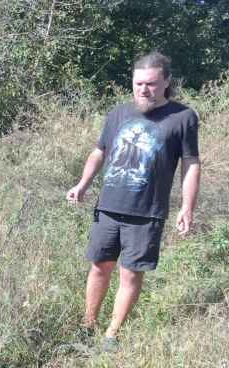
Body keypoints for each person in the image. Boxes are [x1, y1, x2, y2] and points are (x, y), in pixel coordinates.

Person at [66, 51, 201, 349]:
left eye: (151, 84)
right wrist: (82, 184)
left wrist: (187, 207)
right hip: (109, 206)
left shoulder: (183, 117)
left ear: (166, 81)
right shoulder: (118, 114)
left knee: (130, 272)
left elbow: (191, 164)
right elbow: (100, 151)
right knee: (99, 266)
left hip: (147, 212)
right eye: (138, 83)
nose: (144, 89)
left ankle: (111, 334)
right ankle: (87, 325)